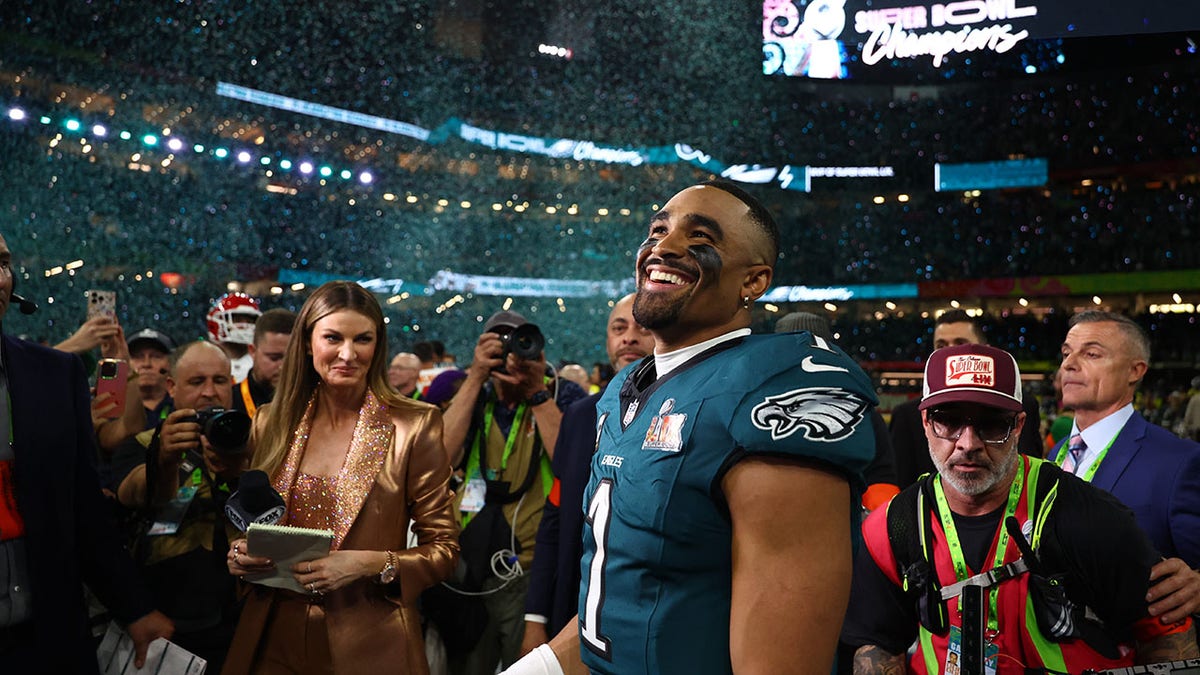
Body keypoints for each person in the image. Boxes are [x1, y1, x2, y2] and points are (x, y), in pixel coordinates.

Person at [504, 180, 877, 675]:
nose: (665, 246)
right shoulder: (623, 393)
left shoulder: (771, 390)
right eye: (658, 229)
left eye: (701, 238)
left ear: (754, 281)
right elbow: (624, 600)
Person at [842, 343, 1198, 673]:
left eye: (992, 424)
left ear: (1018, 426)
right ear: (925, 422)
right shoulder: (891, 528)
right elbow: (877, 645)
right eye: (948, 420)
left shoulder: (1088, 516)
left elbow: (1167, 634)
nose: (968, 443)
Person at [223, 281, 459, 674]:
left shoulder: (414, 426)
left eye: (362, 339)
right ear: (307, 342)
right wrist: (240, 554)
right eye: (333, 337)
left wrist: (370, 564)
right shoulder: (270, 421)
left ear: (377, 346)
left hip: (370, 644)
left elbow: (444, 549)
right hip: (271, 637)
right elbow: (253, 522)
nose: (348, 354)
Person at [0, 233, 173, 672]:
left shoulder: (54, 375)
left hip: (49, 640)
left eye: (2, 263)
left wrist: (132, 606)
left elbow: (83, 505)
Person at [437, 310, 587, 675]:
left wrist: (537, 393)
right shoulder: (473, 394)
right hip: (467, 565)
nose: (510, 354)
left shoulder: (564, 395)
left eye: (519, 343)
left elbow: (573, 467)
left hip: (530, 572)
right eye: (498, 343)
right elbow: (437, 459)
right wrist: (475, 377)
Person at [519, 294, 654, 655]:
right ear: (607, 339)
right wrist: (535, 618)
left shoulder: (684, 411)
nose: (629, 337)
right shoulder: (580, 416)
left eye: (642, 327)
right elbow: (554, 518)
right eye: (619, 327)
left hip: (647, 619)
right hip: (573, 608)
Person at [1053, 310, 1200, 625]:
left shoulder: (1180, 462)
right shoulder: (1054, 455)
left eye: (1091, 353)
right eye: (1066, 353)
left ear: (1135, 370)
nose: (1069, 363)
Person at [115, 340, 247, 672]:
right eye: (196, 381)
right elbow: (130, 492)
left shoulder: (254, 443)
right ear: (171, 386)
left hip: (241, 622)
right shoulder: (142, 444)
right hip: (168, 625)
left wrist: (241, 467)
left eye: (219, 381)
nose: (210, 392)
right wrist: (166, 458)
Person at [889, 310, 1042, 487]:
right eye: (941, 345)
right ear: (926, 421)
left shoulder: (1022, 406)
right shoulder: (906, 415)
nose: (968, 444)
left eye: (960, 343)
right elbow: (901, 483)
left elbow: (1030, 476)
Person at [775, 310, 900, 512]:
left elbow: (880, 479)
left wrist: (880, 524)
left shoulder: (862, 411)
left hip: (843, 527)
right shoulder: (758, 409)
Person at [232, 308, 297, 418]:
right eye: (274, 358)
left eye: (292, 358)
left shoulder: (316, 400)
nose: (283, 367)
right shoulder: (231, 400)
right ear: (252, 351)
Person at [207, 292, 262, 383]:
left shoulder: (262, 363)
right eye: (237, 320)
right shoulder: (201, 361)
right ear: (217, 322)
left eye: (249, 321)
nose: (245, 326)